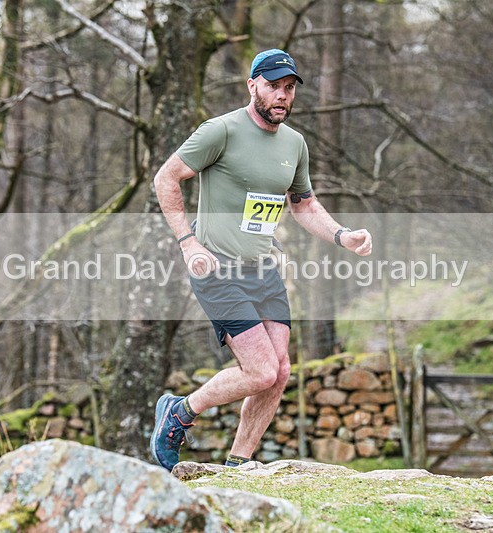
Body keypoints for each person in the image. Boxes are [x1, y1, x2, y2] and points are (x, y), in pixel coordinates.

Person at [150, 48, 372, 471]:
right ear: (252, 84)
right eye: (273, 86)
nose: (282, 96)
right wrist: (187, 242)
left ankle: (239, 462)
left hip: (264, 268)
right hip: (217, 267)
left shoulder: (295, 143)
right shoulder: (221, 131)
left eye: (289, 89)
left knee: (281, 370)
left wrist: (343, 235)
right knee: (260, 370)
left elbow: (303, 204)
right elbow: (166, 177)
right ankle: (179, 412)